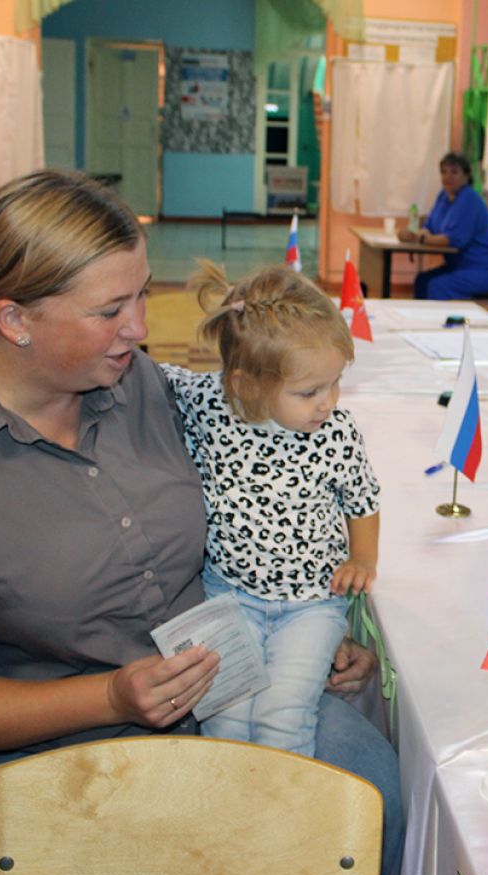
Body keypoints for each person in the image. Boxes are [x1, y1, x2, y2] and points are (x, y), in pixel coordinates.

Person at [0, 169, 403, 875]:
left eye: (142, 293)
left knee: (372, 801)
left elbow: (263, 483)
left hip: (230, 682)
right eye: (112, 309)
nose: (141, 329)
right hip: (71, 747)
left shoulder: (137, 380)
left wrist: (309, 618)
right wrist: (110, 698)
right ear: (15, 321)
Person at [160, 261, 380, 762]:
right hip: (225, 596)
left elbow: (363, 498)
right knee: (225, 716)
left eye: (334, 383)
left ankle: (284, 819)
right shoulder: (207, 403)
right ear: (242, 385)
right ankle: (233, 816)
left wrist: (363, 558)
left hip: (311, 605)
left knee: (284, 713)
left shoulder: (336, 432)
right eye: (309, 392)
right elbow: (147, 376)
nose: (328, 402)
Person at [400, 151, 488, 299]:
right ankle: (420, 322)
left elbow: (452, 240)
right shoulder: (443, 196)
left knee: (438, 286)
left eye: (454, 172)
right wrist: (415, 233)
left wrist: (419, 239)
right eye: (444, 172)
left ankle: (437, 322)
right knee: (422, 281)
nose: (448, 176)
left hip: (486, 269)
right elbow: (430, 227)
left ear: (466, 176)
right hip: (462, 267)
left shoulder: (469, 199)